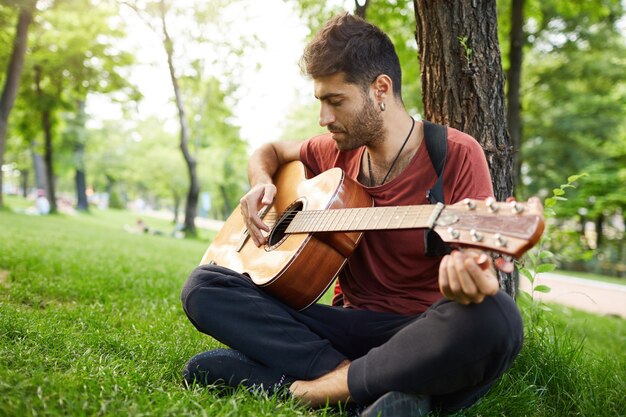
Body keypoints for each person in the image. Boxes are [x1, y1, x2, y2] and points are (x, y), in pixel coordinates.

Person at [181, 13, 532, 416]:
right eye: (320, 102)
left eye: (335, 101)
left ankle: (303, 390)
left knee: (497, 318)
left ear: (380, 89)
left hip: (416, 333)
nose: (324, 119)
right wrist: (261, 182)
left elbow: (482, 267)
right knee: (203, 286)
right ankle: (371, 388)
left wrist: (473, 279)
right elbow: (271, 152)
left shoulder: (456, 153)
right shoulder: (334, 151)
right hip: (342, 326)